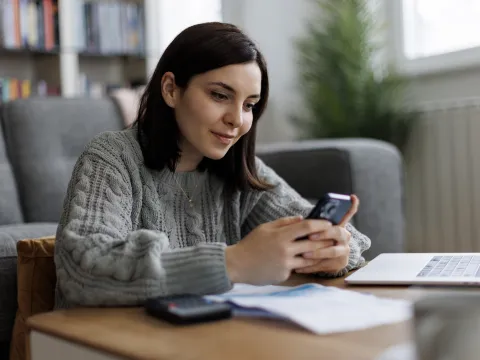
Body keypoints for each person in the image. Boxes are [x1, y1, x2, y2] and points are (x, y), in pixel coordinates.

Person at [54, 22, 371, 308]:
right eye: (220, 95)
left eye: (249, 105)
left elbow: (350, 238)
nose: (237, 119)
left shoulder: (242, 173)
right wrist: (233, 262)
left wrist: (334, 252)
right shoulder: (112, 157)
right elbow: (83, 269)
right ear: (170, 90)